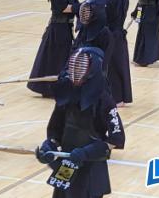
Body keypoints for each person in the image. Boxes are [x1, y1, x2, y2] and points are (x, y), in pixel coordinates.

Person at [35, 47, 125, 198]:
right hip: (68, 163)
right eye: (73, 67)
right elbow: (55, 130)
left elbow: (116, 138)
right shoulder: (66, 93)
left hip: (91, 166)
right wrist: (49, 147)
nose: (75, 72)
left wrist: (87, 152)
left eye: (80, 67)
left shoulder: (104, 99)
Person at [28, 0, 79, 97]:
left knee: (64, 57)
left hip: (67, 27)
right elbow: (63, 8)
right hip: (58, 28)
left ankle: (63, 87)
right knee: (55, 59)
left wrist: (85, 5)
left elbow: (75, 2)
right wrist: (79, 8)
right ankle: (50, 88)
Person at [99, 0, 132, 106]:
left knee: (111, 67)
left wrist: (93, 3)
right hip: (120, 36)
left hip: (110, 37)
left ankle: (116, 98)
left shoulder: (108, 1)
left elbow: (102, 17)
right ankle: (123, 96)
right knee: (121, 66)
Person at [73, 0, 112, 72]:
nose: (84, 15)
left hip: (94, 72)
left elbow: (104, 60)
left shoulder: (105, 33)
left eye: (88, 12)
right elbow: (75, 48)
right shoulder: (84, 28)